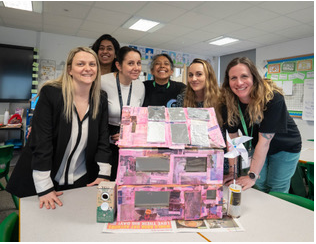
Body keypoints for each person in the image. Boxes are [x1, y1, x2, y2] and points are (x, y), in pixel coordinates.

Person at [6, 47, 112, 209]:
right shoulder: (52, 94)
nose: (87, 68)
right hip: (43, 177)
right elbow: (42, 141)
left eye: (92, 64)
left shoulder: (101, 98)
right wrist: (44, 186)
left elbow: (103, 137)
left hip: (81, 179)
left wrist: (103, 173)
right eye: (80, 64)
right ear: (70, 69)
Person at [220, 57, 301, 193]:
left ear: (254, 77)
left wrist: (252, 175)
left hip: (285, 146)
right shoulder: (227, 102)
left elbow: (264, 142)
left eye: (244, 76)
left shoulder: (272, 98)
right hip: (258, 146)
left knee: (276, 188)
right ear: (228, 81)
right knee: (260, 185)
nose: (239, 82)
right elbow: (233, 140)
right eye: (233, 78)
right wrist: (233, 172)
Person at [101, 46, 145, 181]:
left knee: (125, 178)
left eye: (138, 63)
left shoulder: (140, 86)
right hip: (105, 136)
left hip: (128, 137)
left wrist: (127, 132)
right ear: (118, 65)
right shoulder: (103, 81)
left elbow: (137, 116)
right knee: (106, 178)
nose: (136, 67)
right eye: (130, 63)